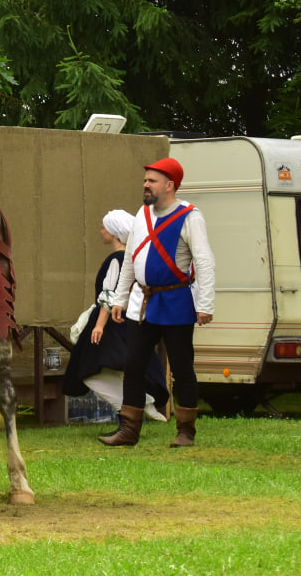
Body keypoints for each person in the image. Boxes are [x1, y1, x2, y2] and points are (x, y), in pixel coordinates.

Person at [101, 158, 215, 449]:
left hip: (176, 300)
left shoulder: (190, 216)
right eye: (145, 180)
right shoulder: (143, 214)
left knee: (182, 368)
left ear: (170, 185)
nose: (146, 185)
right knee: (133, 365)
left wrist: (205, 304)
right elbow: (131, 259)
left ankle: (186, 432)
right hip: (142, 302)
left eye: (152, 181)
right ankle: (128, 430)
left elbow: (203, 261)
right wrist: (120, 298)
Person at [62, 210, 169, 422]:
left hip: (111, 323)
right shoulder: (131, 259)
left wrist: (99, 325)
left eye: (104, 228)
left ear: (115, 232)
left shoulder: (116, 260)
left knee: (88, 370)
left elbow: (109, 295)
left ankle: (134, 404)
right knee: (115, 366)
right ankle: (139, 403)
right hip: (125, 322)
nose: (101, 231)